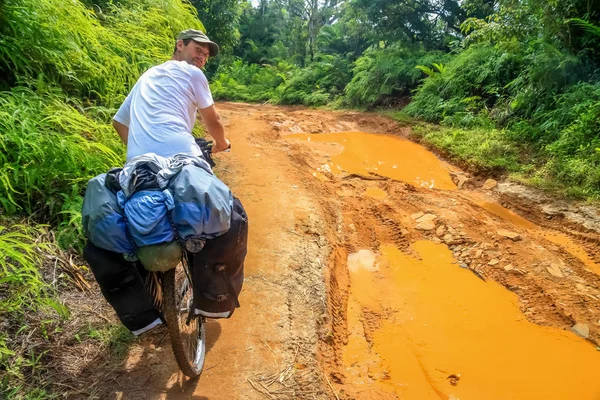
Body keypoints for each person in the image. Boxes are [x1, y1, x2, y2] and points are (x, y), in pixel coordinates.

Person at [112, 29, 230, 159]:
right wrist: (222, 143)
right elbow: (213, 121)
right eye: (198, 50)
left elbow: (119, 122)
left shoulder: (147, 75)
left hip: (139, 161)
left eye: (206, 55)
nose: (202, 57)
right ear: (180, 45)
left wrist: (139, 149)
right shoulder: (192, 72)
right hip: (180, 153)